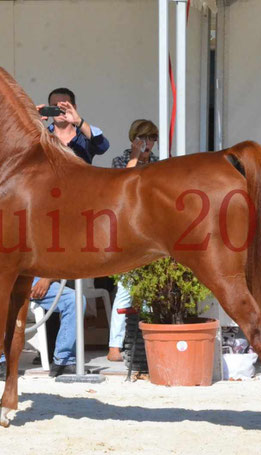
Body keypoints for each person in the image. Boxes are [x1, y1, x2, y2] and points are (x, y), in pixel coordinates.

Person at [107, 119, 160, 362]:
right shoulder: (120, 161)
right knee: (126, 288)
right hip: (127, 230)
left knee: (149, 290)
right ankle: (114, 347)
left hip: (151, 230)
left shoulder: (158, 164)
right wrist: (136, 156)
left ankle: (147, 345)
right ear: (133, 139)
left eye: (151, 138)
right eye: (142, 138)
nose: (147, 143)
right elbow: (122, 186)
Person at [39, 87, 110, 164]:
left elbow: (103, 147)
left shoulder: (84, 135)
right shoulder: (42, 137)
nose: (59, 110)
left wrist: (78, 121)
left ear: (74, 107)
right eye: (55, 106)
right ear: (48, 108)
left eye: (64, 106)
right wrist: (31, 123)